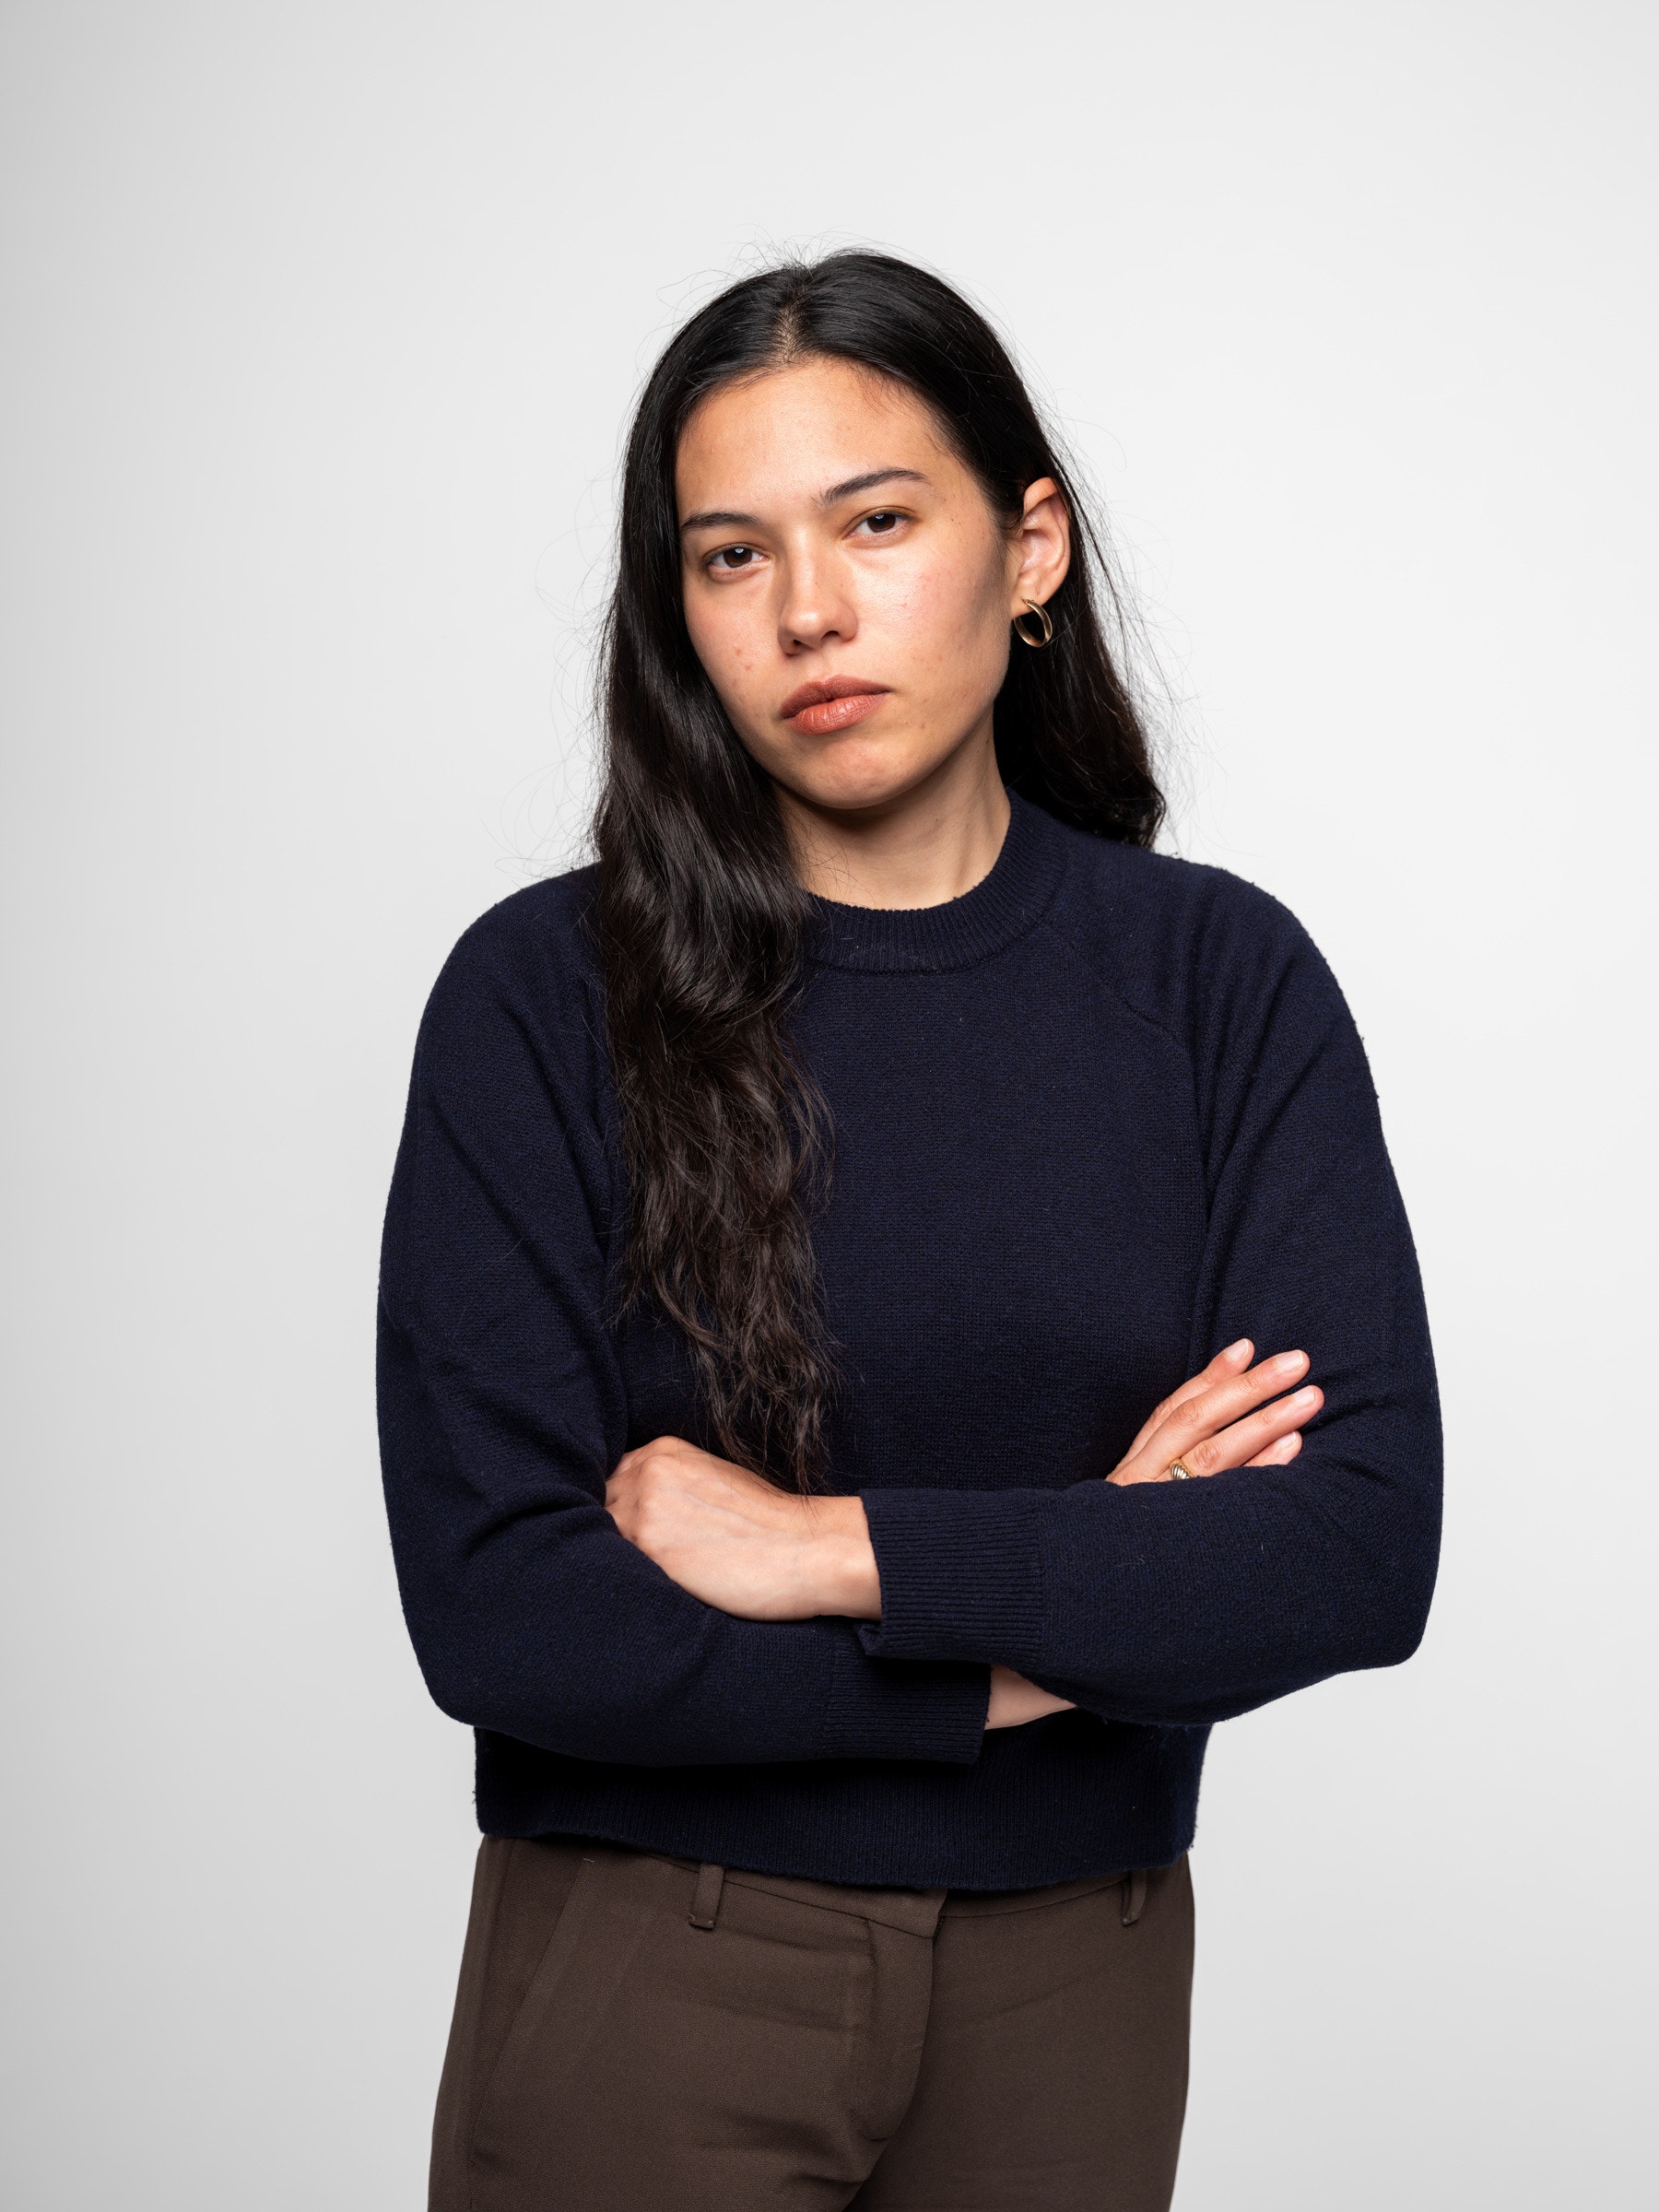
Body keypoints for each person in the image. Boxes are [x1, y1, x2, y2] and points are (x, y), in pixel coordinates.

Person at [376, 250, 1441, 2212]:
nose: (807, 609)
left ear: (1029, 548)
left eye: (876, 522)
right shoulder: (544, 997)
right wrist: (1063, 1626)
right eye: (730, 556)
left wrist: (822, 1550)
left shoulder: (1218, 984)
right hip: (656, 1956)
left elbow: (1351, 1550)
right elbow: (508, 1612)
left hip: (1083, 1971)